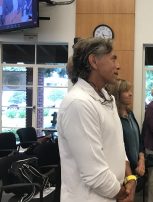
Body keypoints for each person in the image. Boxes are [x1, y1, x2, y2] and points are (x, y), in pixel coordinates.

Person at [57, 37, 136, 202]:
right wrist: (123, 194)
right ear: (93, 61)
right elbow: (94, 174)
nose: (118, 66)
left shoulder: (108, 98)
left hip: (111, 194)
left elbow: (117, 145)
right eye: (113, 58)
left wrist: (130, 178)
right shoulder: (78, 103)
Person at [107, 79, 146, 192]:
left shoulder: (130, 114)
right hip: (123, 170)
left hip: (136, 167)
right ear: (117, 95)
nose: (131, 93)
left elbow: (139, 139)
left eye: (130, 90)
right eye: (126, 91)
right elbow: (118, 147)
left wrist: (141, 160)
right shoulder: (114, 118)